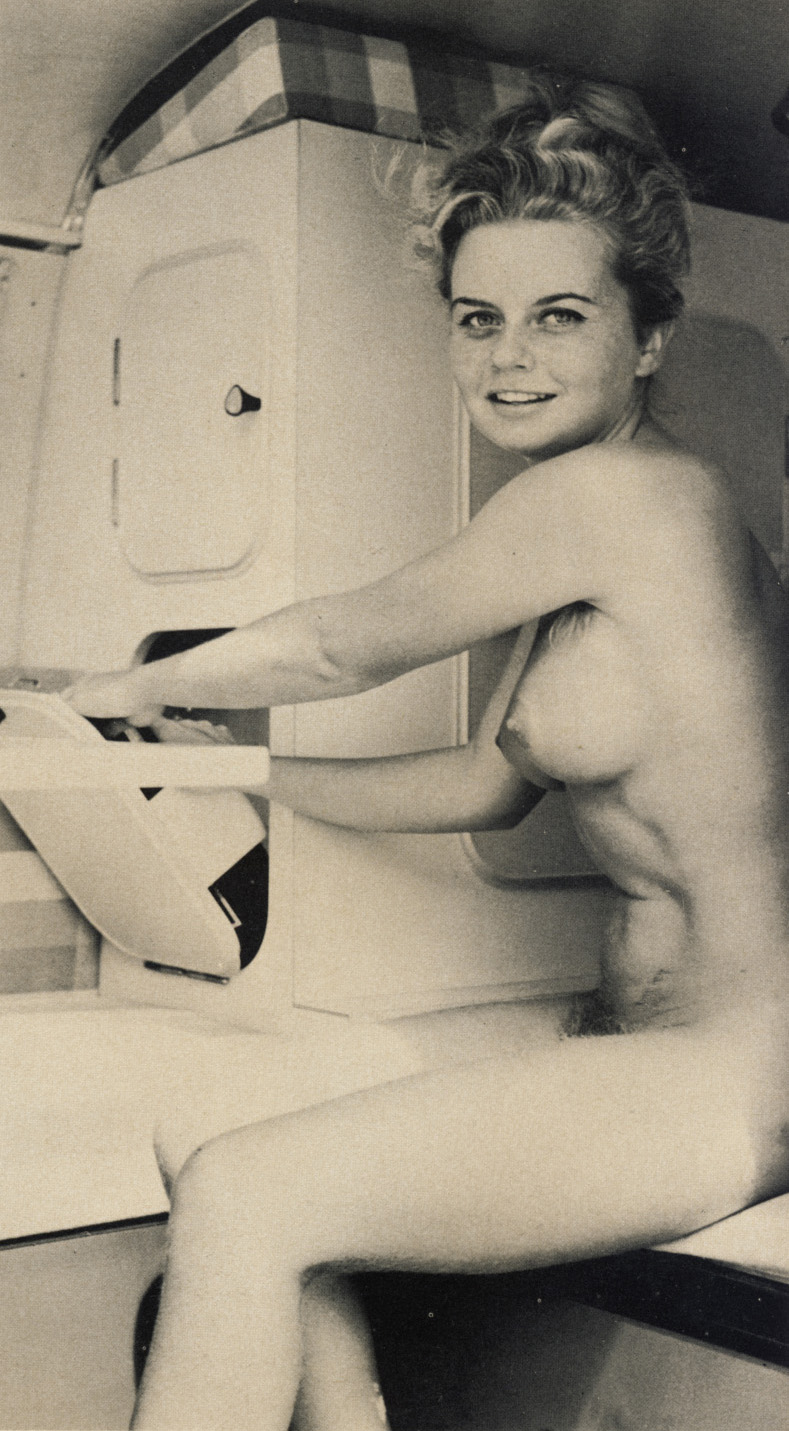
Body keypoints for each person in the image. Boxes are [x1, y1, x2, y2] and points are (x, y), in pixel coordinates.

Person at [66, 73, 789, 1431]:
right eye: (477, 319)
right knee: (201, 1124)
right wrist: (228, 767)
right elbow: (480, 787)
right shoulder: (600, 524)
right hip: (640, 1044)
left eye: (559, 316)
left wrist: (106, 688)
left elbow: (340, 647)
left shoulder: (621, 501)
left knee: (245, 1193)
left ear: (648, 335)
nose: (508, 357)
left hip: (727, 1076)